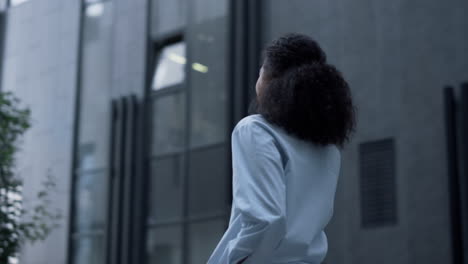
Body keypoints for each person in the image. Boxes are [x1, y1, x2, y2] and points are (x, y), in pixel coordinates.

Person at [207, 33, 357, 264]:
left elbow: (265, 219)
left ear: (267, 78)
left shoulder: (255, 130)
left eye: (260, 71)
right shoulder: (328, 149)